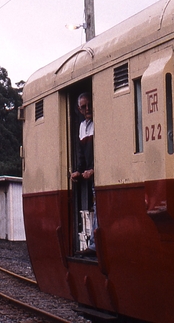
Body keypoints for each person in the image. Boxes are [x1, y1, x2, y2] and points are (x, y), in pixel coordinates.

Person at [71, 92, 97, 256]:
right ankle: (94, 244)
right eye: (83, 107)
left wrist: (94, 169)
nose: (87, 109)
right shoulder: (82, 126)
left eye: (89, 105)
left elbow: (101, 149)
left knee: (98, 207)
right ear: (79, 110)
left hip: (98, 172)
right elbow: (81, 153)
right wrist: (78, 171)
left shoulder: (98, 121)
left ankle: (94, 246)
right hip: (89, 173)